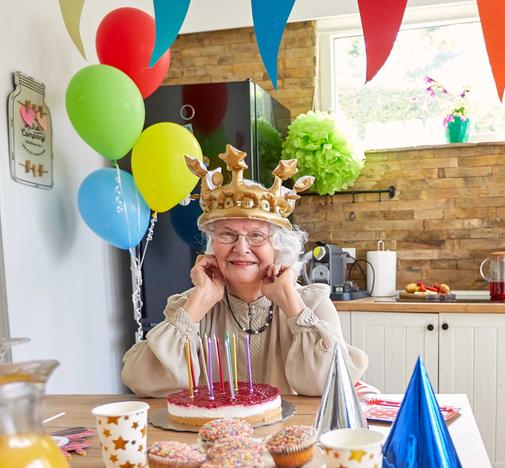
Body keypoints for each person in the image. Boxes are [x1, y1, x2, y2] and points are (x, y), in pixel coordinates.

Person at [121, 144, 368, 397]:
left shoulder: (311, 303)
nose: (241, 248)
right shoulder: (190, 306)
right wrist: (198, 303)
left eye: (256, 235)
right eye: (227, 234)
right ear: (212, 245)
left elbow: (330, 383)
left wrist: (292, 306)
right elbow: (141, 380)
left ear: (278, 246)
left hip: (288, 434)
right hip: (211, 435)